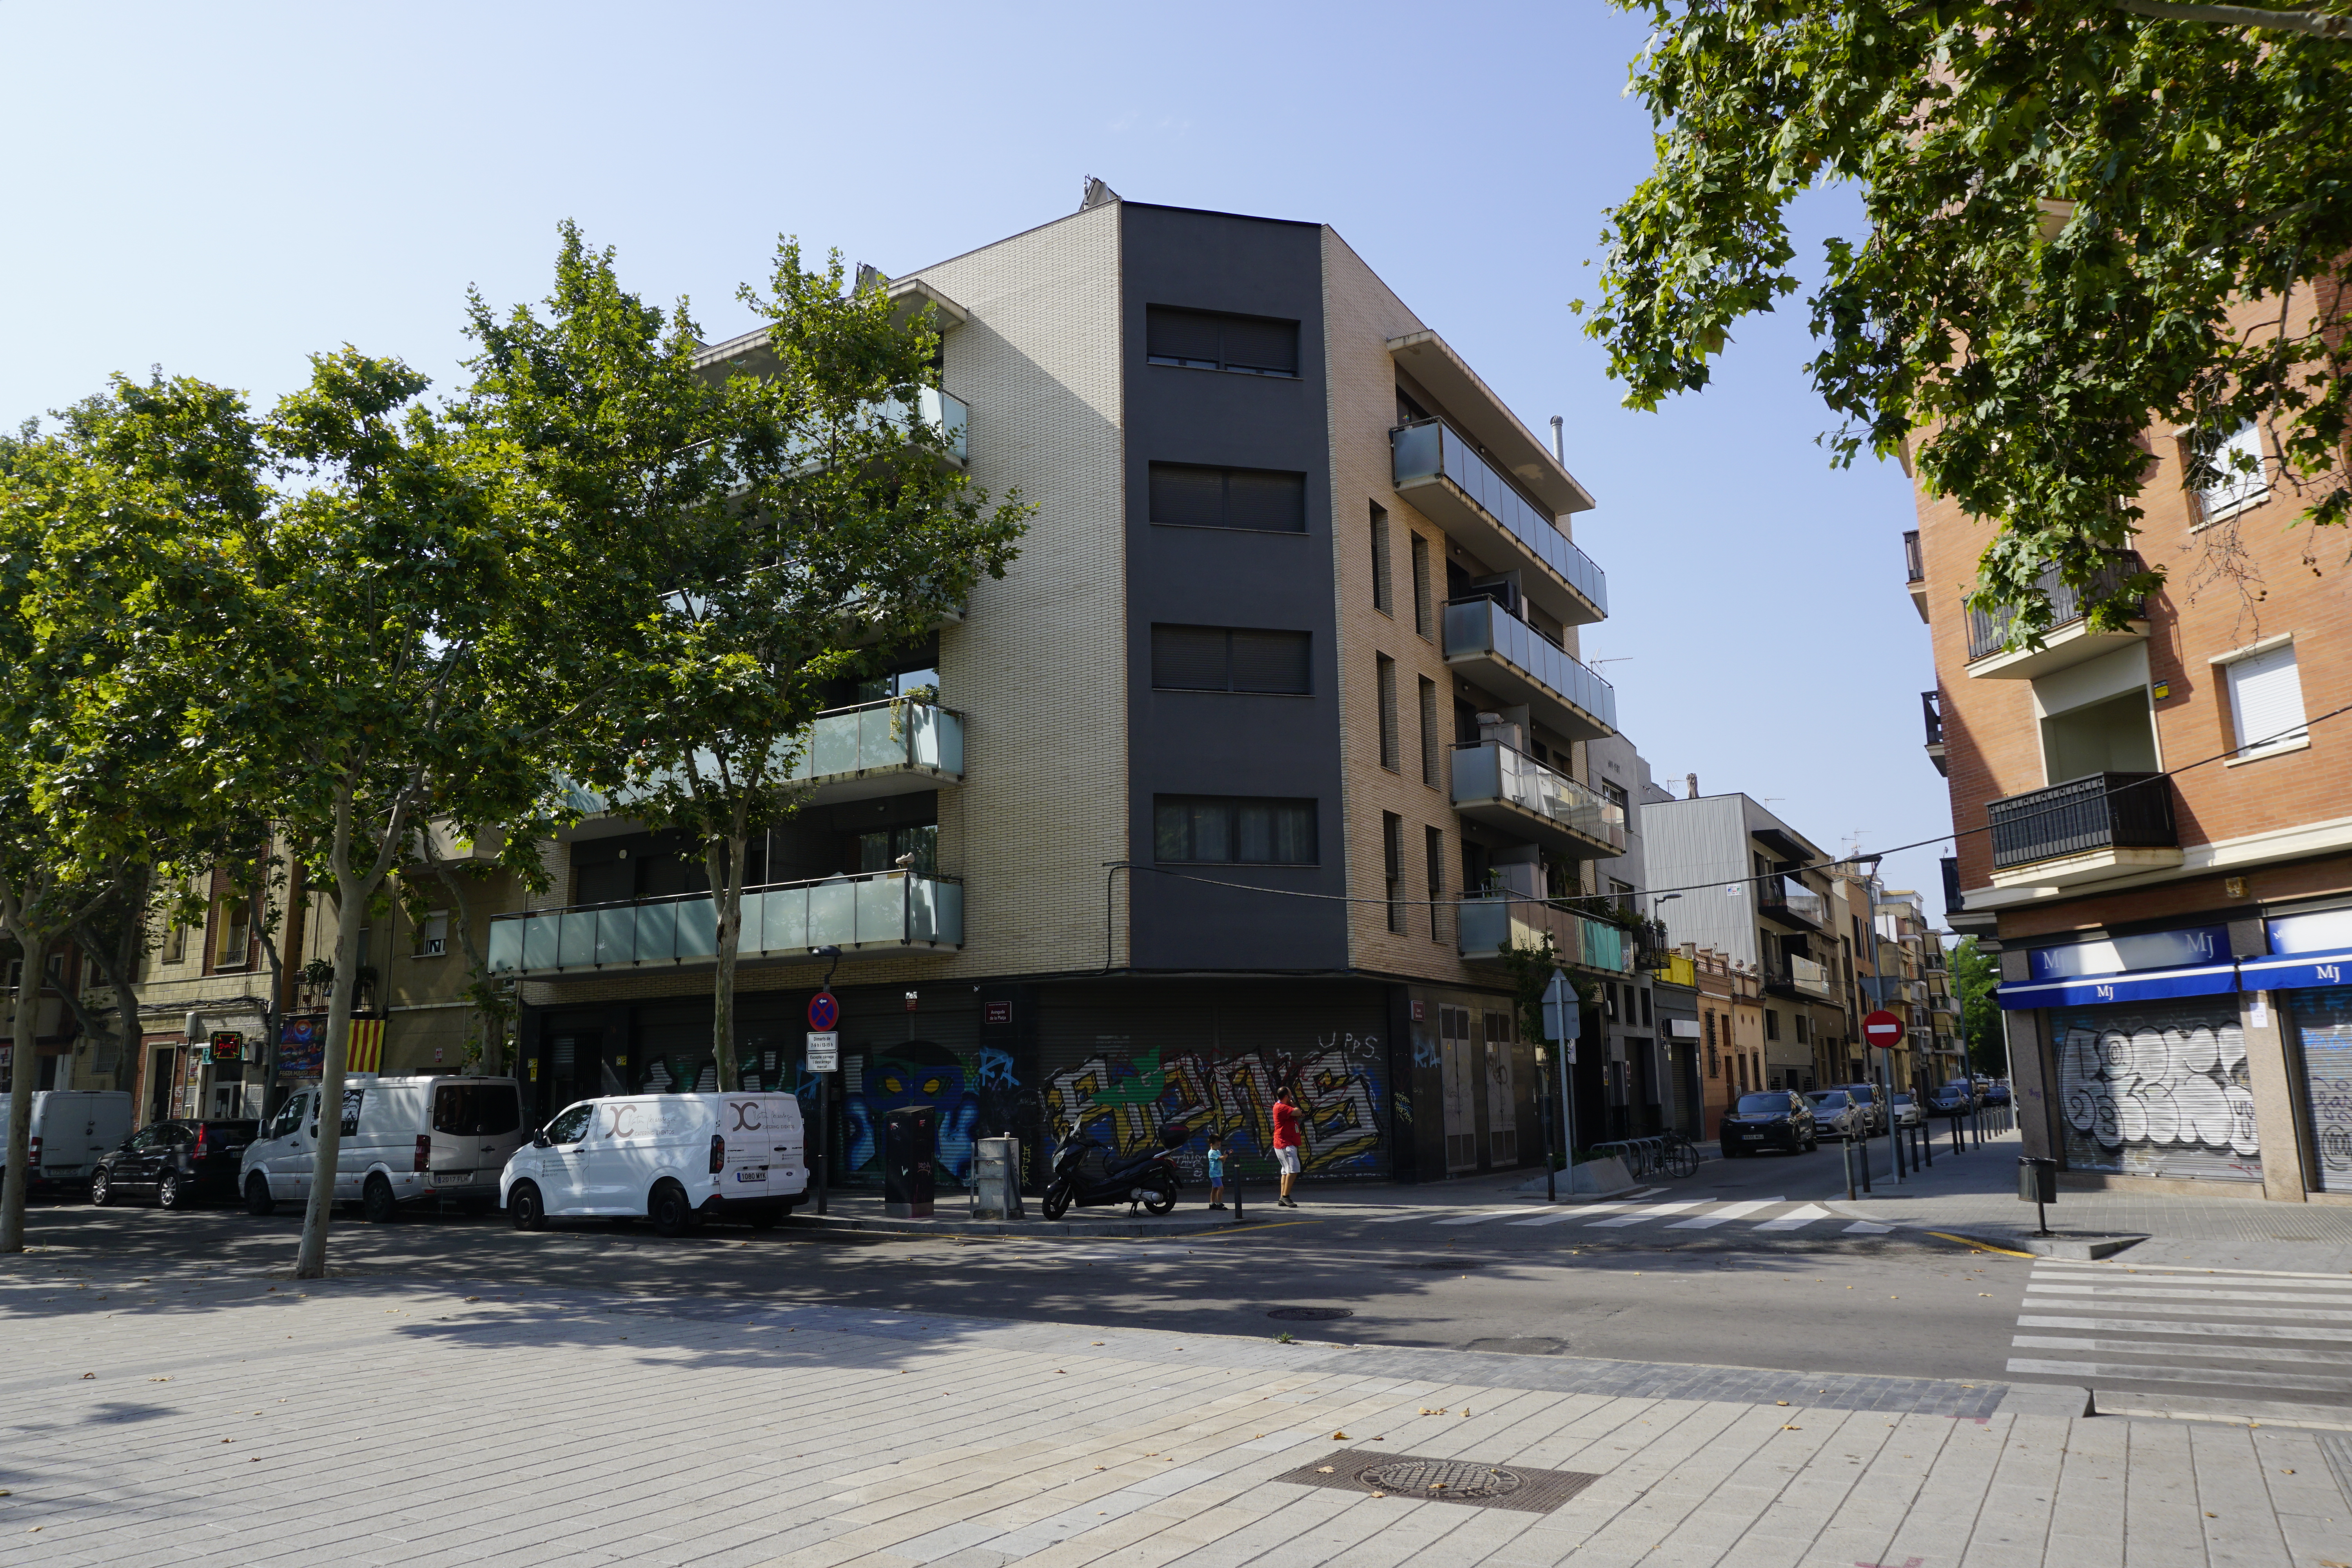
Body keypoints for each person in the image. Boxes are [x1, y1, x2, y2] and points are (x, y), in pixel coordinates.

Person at [1271, 1088, 1303, 1207]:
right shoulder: (1281, 1107)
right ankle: (1285, 1197)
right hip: (1284, 1144)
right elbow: (1298, 1112)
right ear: (1286, 1096)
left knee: (1286, 1172)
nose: (1291, 1096)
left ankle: (1282, 1197)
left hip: (1288, 1143)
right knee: (1294, 1170)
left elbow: (1296, 1114)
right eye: (1290, 1095)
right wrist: (1294, 1105)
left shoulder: (1284, 1107)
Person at [1205, 1135, 1226, 1210]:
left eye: (1220, 1144)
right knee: (1221, 1188)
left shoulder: (1218, 1151)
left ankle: (1212, 1204)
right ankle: (1220, 1204)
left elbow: (1222, 1161)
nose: (1219, 1146)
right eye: (1217, 1145)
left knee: (1215, 1189)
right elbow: (1222, 1158)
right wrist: (1227, 1155)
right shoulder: (1211, 1152)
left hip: (1219, 1173)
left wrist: (1224, 1157)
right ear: (1212, 1145)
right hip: (1214, 1174)